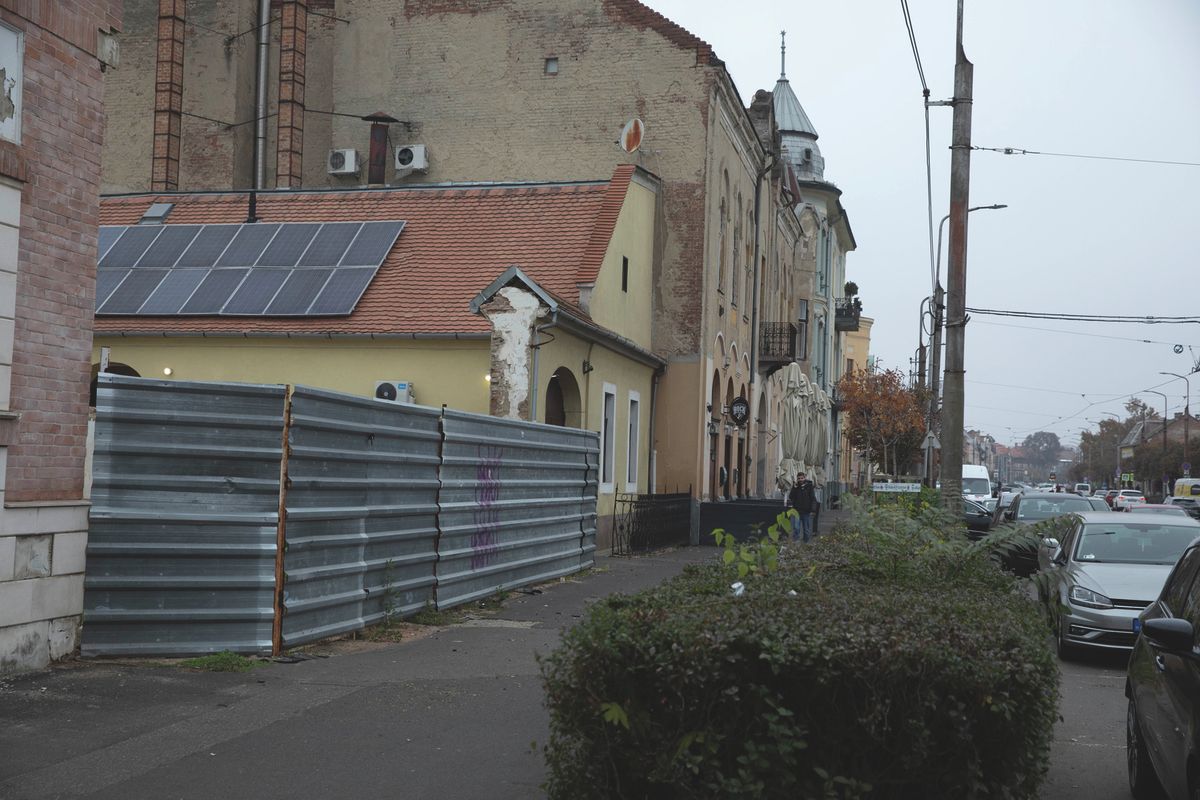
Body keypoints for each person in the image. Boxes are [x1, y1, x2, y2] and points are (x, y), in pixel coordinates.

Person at [788, 472, 817, 543]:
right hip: (796, 511)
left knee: (806, 529)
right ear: (797, 479)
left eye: (802, 478)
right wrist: (794, 488)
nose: (800, 480)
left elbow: (813, 498)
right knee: (796, 528)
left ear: (805, 478)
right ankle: (796, 541)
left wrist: (813, 510)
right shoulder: (796, 487)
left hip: (806, 511)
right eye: (799, 478)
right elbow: (791, 497)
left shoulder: (809, 486)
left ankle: (805, 542)